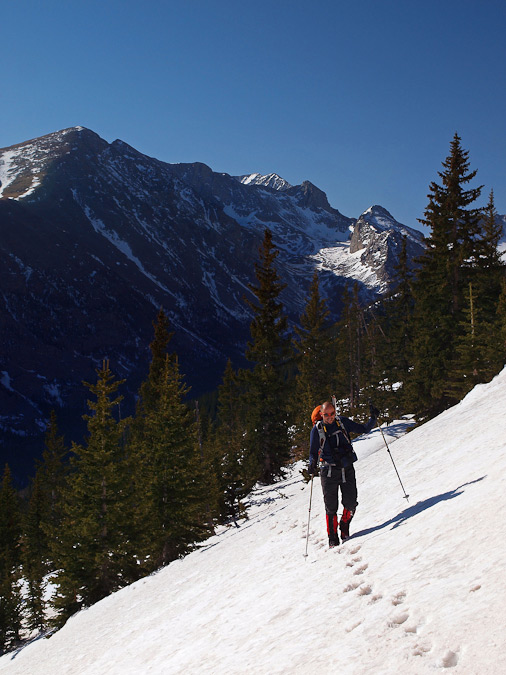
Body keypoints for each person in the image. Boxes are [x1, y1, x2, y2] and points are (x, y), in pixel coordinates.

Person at [308, 401, 378, 547]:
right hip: (328, 471)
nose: (329, 417)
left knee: (351, 502)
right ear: (321, 414)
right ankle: (332, 538)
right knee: (331, 507)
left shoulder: (342, 422)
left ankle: (344, 524)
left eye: (332, 413)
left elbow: (364, 429)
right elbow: (313, 452)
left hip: (347, 468)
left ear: (335, 412)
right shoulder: (317, 430)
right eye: (326, 414)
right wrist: (312, 464)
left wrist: (373, 418)